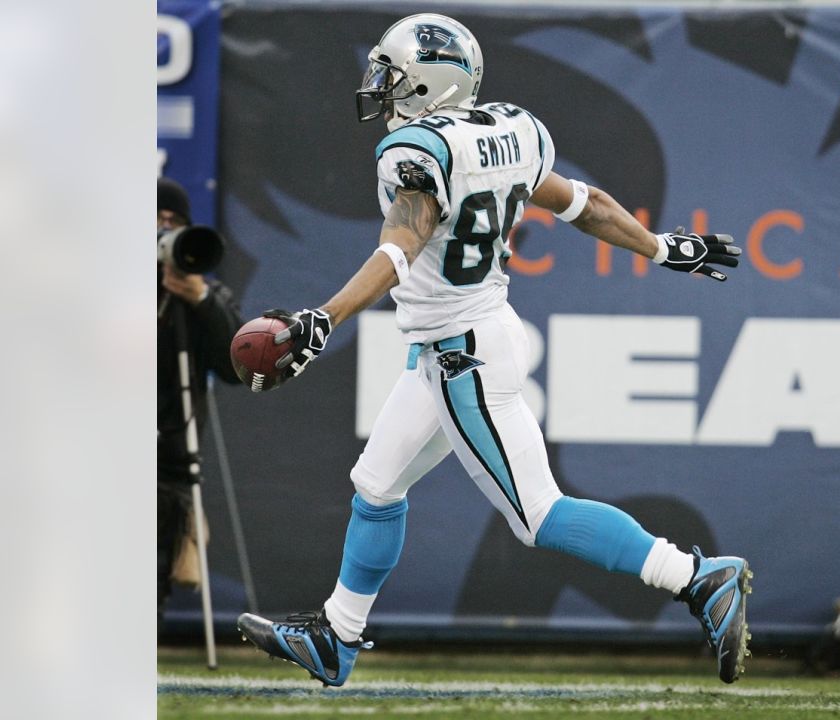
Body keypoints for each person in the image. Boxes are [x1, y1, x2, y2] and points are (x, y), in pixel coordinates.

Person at [236, 13, 750, 685]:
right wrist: (663, 248)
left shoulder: (417, 151)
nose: (379, 86)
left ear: (426, 84)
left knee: (538, 515)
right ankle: (339, 636)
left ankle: (696, 576)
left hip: (464, 354)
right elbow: (581, 203)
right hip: (461, 339)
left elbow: (402, 244)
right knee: (377, 484)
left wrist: (324, 318)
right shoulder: (514, 129)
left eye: (391, 75)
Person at [157, 176, 243, 618]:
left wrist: (202, 300)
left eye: (175, 223)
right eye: (156, 220)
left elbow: (236, 367)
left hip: (168, 463)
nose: (165, 232)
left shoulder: (203, 295)